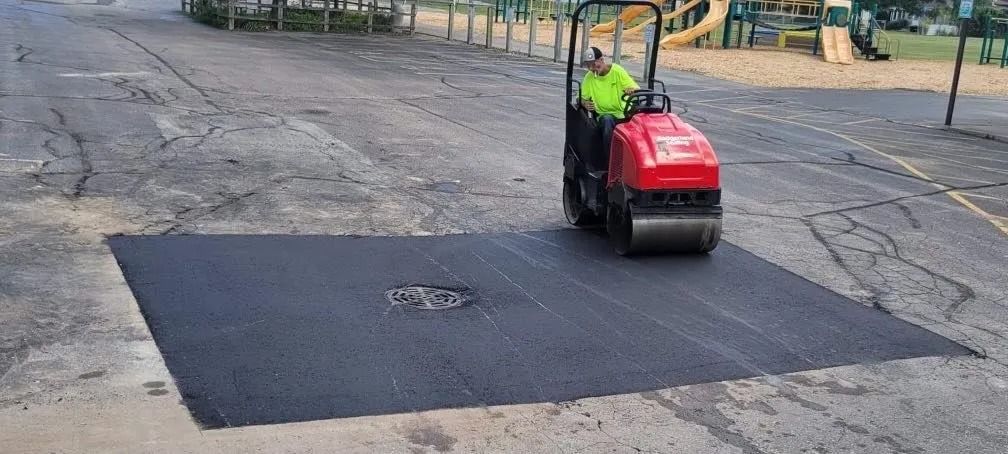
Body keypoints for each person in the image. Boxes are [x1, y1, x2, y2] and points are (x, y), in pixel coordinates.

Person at [579, 46, 639, 154]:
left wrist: (631, 90)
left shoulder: (617, 71)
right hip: (604, 116)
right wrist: (585, 103)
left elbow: (634, 87)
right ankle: (611, 161)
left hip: (624, 115)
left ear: (601, 60)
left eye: (593, 64)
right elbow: (581, 98)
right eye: (589, 66)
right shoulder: (589, 77)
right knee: (607, 120)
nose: (592, 68)